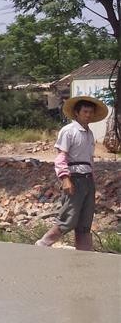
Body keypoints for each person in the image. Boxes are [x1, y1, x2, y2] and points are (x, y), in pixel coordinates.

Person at [35, 95, 108, 251]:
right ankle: (42, 244)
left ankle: (84, 253)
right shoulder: (68, 131)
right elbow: (61, 157)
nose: (88, 115)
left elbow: (89, 159)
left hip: (88, 179)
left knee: (85, 221)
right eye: (85, 111)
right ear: (77, 112)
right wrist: (65, 179)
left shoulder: (89, 134)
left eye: (90, 112)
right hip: (74, 178)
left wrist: (92, 181)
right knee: (69, 218)